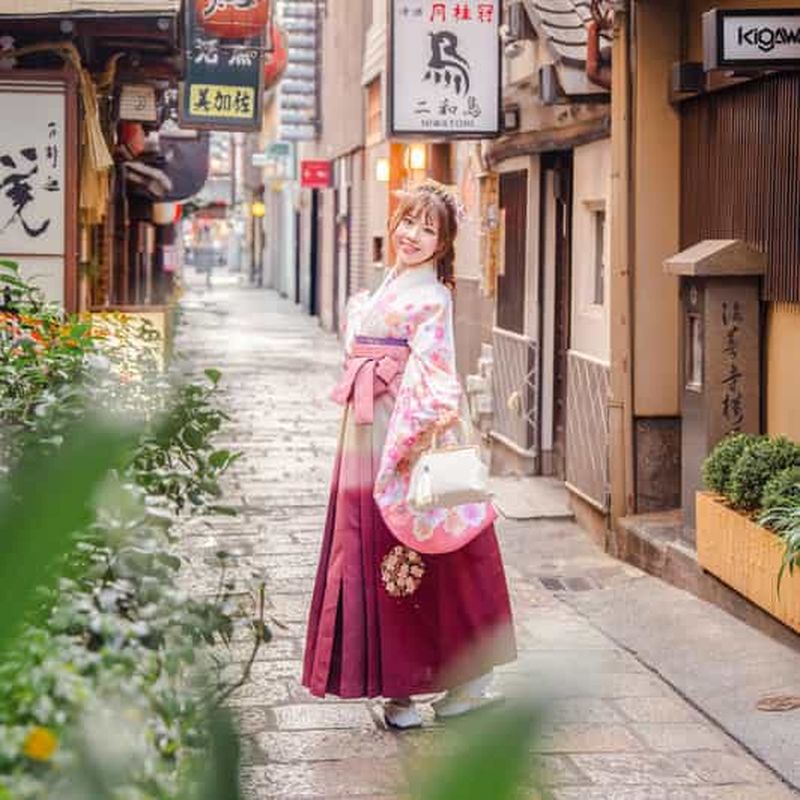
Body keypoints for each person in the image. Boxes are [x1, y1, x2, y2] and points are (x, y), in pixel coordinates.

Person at [302, 180, 516, 729]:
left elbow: (435, 376)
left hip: (399, 434)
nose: (413, 235)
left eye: (429, 229)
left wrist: (405, 442)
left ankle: (435, 685)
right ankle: (403, 688)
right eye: (407, 222)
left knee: (412, 552)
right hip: (370, 430)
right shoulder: (395, 283)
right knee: (383, 551)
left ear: (443, 245)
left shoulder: (432, 295)